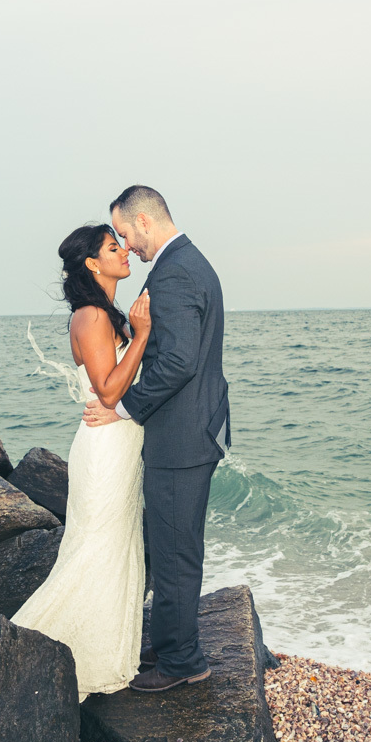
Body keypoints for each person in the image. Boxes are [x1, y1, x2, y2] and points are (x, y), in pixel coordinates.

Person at [0, 224, 152, 724]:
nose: (124, 252)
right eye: (113, 248)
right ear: (92, 264)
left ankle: (105, 654)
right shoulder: (89, 317)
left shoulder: (110, 316)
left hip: (123, 446)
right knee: (94, 550)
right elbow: (108, 392)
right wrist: (144, 334)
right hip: (105, 450)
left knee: (115, 546)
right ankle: (43, 659)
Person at [84, 185, 231, 692]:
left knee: (173, 551)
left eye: (125, 233)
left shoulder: (174, 274)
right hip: (195, 427)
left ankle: (183, 662)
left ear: (144, 221)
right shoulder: (190, 263)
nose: (128, 246)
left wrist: (122, 407)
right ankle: (172, 640)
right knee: (172, 544)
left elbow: (178, 361)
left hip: (181, 435)